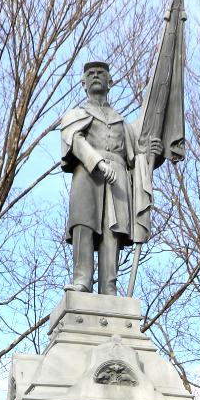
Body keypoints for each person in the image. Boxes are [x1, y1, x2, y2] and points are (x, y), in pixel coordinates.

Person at [59, 61, 163, 294]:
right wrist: (96, 161)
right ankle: (82, 280)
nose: (96, 76)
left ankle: (109, 287)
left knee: (112, 232)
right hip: (87, 175)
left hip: (118, 179)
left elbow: (137, 157)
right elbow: (74, 139)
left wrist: (153, 152)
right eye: (91, 74)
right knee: (83, 225)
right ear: (83, 83)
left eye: (101, 73)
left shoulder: (123, 123)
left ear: (110, 82)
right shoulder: (76, 115)